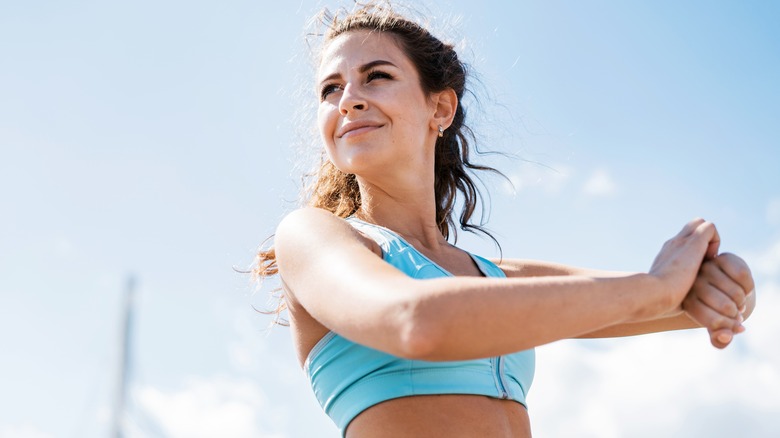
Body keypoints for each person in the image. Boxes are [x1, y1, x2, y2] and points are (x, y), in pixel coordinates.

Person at [255, 3, 757, 437]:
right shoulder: (311, 235)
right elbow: (416, 321)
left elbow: (684, 302)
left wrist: (726, 281)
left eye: (377, 76)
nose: (349, 100)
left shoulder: (493, 278)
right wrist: (657, 288)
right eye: (330, 89)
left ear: (441, 107)